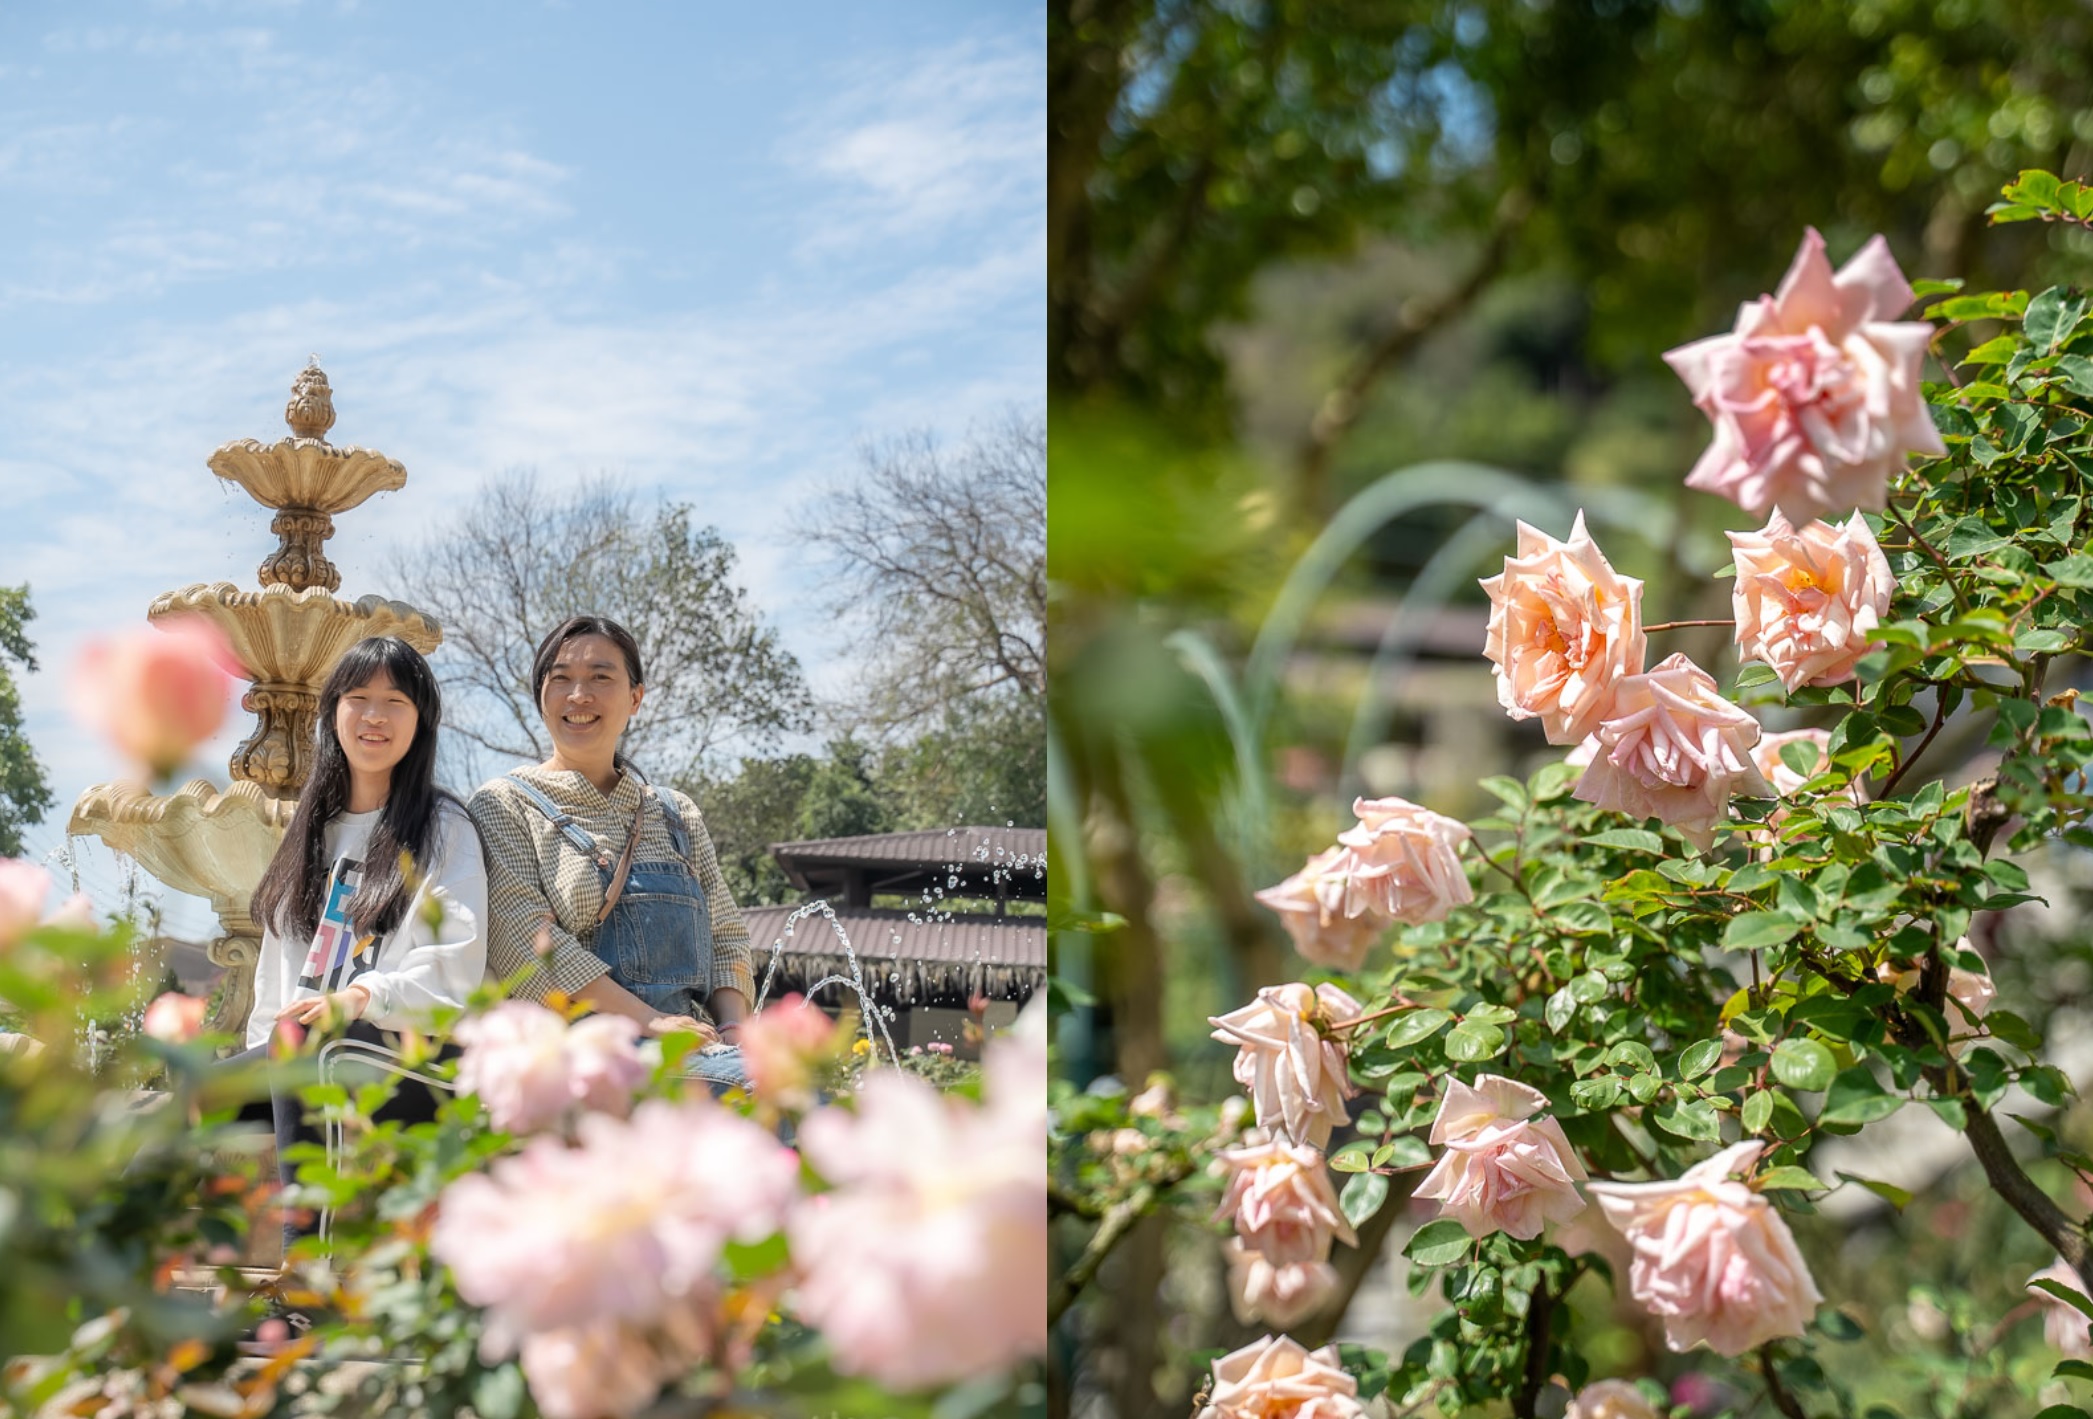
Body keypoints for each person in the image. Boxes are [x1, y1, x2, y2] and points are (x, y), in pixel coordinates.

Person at [240, 636, 489, 1238]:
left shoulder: (442, 827)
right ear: (333, 714)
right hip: (305, 1051)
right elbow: (276, 980)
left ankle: (306, 1288)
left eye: (395, 701)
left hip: (411, 1056)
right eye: (358, 697)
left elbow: (453, 967)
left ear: (421, 722)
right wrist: (254, 1061)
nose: (374, 715)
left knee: (304, 1036)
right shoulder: (311, 831)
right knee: (188, 1100)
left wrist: (356, 999)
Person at [466, 615, 753, 1085]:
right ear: (541, 696)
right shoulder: (505, 804)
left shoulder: (676, 813)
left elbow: (726, 935)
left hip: (693, 1049)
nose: (579, 695)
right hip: (575, 1057)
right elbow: (530, 947)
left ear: (635, 698)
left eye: (601, 677)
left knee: (791, 1091)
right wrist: (652, 1023)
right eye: (560, 679)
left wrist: (734, 1028)